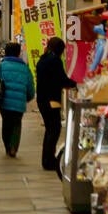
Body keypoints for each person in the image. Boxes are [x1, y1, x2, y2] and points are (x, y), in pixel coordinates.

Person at [0, 42, 35, 157]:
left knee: (6, 124)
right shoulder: (25, 68)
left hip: (4, 102)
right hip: (19, 103)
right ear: (19, 53)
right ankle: (13, 146)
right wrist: (27, 98)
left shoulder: (0, 67)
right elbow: (30, 87)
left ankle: (7, 145)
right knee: (16, 125)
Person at [36, 37, 76, 171]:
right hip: (51, 100)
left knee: (50, 129)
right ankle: (48, 161)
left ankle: (47, 159)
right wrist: (75, 84)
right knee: (54, 129)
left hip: (42, 99)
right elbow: (61, 79)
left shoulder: (43, 59)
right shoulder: (54, 61)